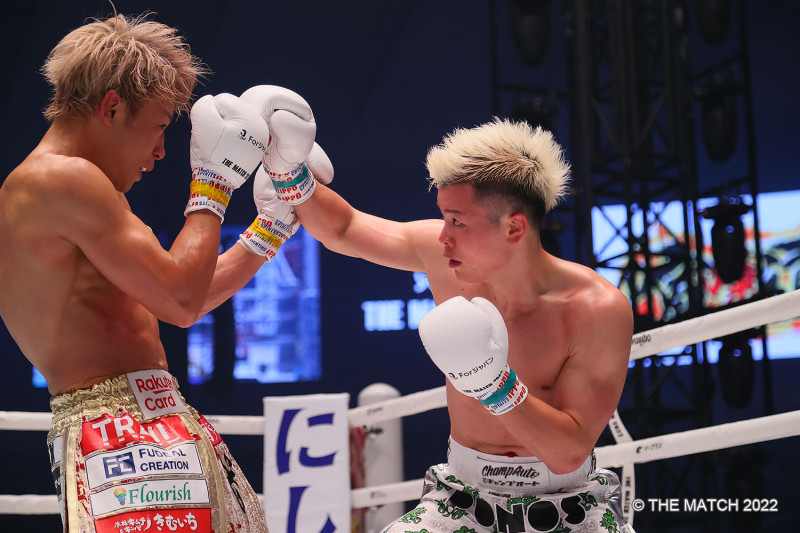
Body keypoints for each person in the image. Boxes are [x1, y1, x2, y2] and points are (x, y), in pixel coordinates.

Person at [253, 106, 636, 532]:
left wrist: (493, 385)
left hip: (568, 504)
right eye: (443, 217)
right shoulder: (443, 259)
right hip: (463, 499)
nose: (442, 236)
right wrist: (287, 171)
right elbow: (344, 228)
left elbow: (568, 453)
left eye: (457, 221)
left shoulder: (596, 309)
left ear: (513, 229)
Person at [0, 14, 310, 532]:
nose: (162, 151)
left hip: (149, 421)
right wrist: (212, 182)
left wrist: (270, 228)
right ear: (112, 107)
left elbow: (188, 293)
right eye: (161, 125)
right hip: (121, 435)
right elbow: (181, 301)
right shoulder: (58, 180)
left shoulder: (77, 189)